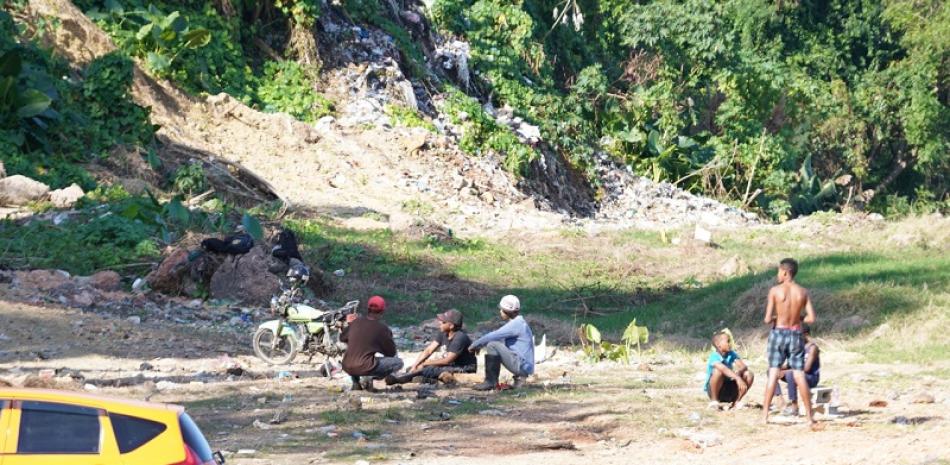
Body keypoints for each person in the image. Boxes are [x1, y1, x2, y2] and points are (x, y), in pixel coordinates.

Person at [762, 258, 817, 425]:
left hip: (778, 333)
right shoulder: (803, 292)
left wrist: (777, 317)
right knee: (799, 374)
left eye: (779, 271)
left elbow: (766, 319)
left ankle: (764, 416)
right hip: (795, 333)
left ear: (785, 272)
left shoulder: (775, 291)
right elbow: (811, 318)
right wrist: (798, 318)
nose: (777, 274)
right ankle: (809, 416)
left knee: (773, 373)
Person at [386, 309, 477, 385]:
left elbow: (448, 360)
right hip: (452, 365)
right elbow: (428, 350)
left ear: (451, 325)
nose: (439, 323)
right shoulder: (444, 333)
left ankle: (401, 379)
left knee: (428, 368)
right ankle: (426, 378)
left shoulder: (460, 337)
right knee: (413, 368)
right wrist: (416, 365)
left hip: (464, 368)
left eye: (443, 322)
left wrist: (426, 363)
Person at [469, 295, 534, 390]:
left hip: (521, 366)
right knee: (495, 344)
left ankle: (490, 382)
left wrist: (475, 345)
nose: (500, 312)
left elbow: (493, 335)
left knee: (492, 345)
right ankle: (515, 380)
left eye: (502, 310)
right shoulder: (520, 322)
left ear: (507, 311)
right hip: (524, 365)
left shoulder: (516, 324)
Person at [340, 295, 403, 391]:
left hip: (347, 365)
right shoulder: (382, 328)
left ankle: (356, 382)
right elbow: (391, 353)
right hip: (365, 366)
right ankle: (369, 378)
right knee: (398, 363)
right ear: (382, 311)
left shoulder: (356, 322)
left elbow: (342, 337)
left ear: (368, 309)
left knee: (358, 357)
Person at [775, 324, 820, 416]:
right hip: (798, 375)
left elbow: (807, 368)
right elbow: (790, 364)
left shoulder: (812, 348)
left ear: (805, 334)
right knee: (772, 372)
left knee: (791, 373)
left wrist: (790, 369)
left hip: (811, 377)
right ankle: (781, 402)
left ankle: (794, 406)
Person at [704, 331, 754, 408]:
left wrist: (739, 372)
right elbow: (723, 369)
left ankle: (736, 402)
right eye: (727, 341)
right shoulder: (714, 356)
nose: (730, 343)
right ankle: (714, 401)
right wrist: (737, 378)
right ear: (718, 345)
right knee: (718, 371)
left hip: (729, 387)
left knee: (748, 374)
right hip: (716, 389)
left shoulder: (731, 354)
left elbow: (743, 366)